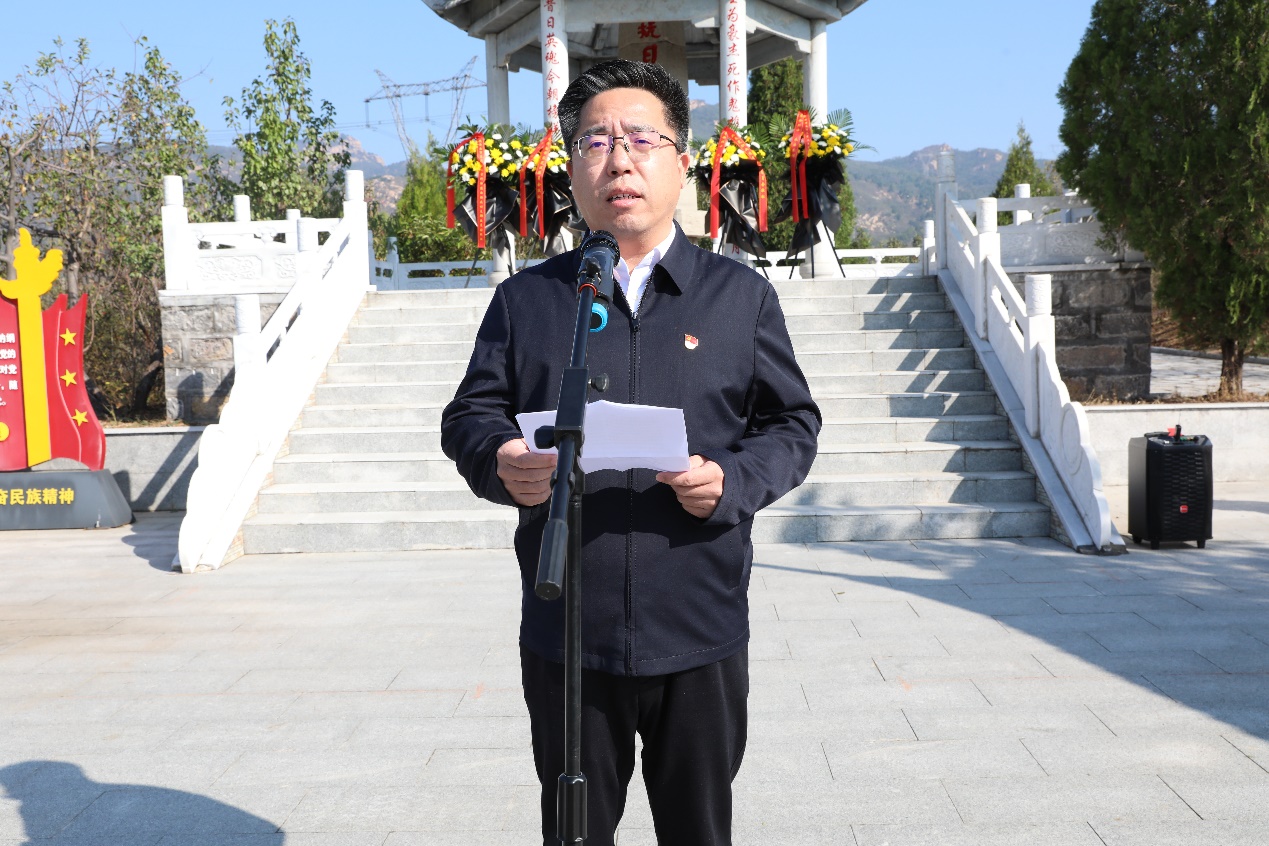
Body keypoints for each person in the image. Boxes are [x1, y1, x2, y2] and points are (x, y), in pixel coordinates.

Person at [440, 59, 820, 846]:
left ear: (683, 162)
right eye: (595, 141)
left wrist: (733, 480)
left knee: (698, 832)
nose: (619, 161)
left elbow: (791, 424)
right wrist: (499, 458)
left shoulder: (739, 297)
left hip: (699, 624)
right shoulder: (528, 299)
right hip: (569, 630)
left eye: (641, 139)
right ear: (570, 168)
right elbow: (470, 413)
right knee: (574, 833)